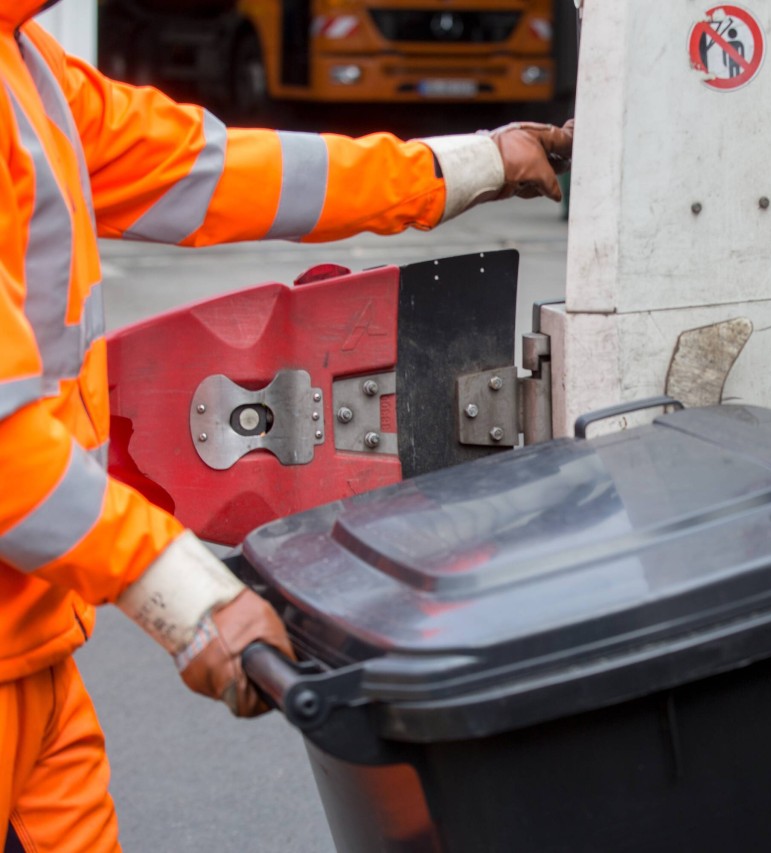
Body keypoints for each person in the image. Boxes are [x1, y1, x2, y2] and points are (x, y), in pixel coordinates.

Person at [0, 4, 573, 851]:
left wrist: (466, 165)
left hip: (32, 646)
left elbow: (215, 171)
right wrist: (184, 592)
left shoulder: (25, 67)